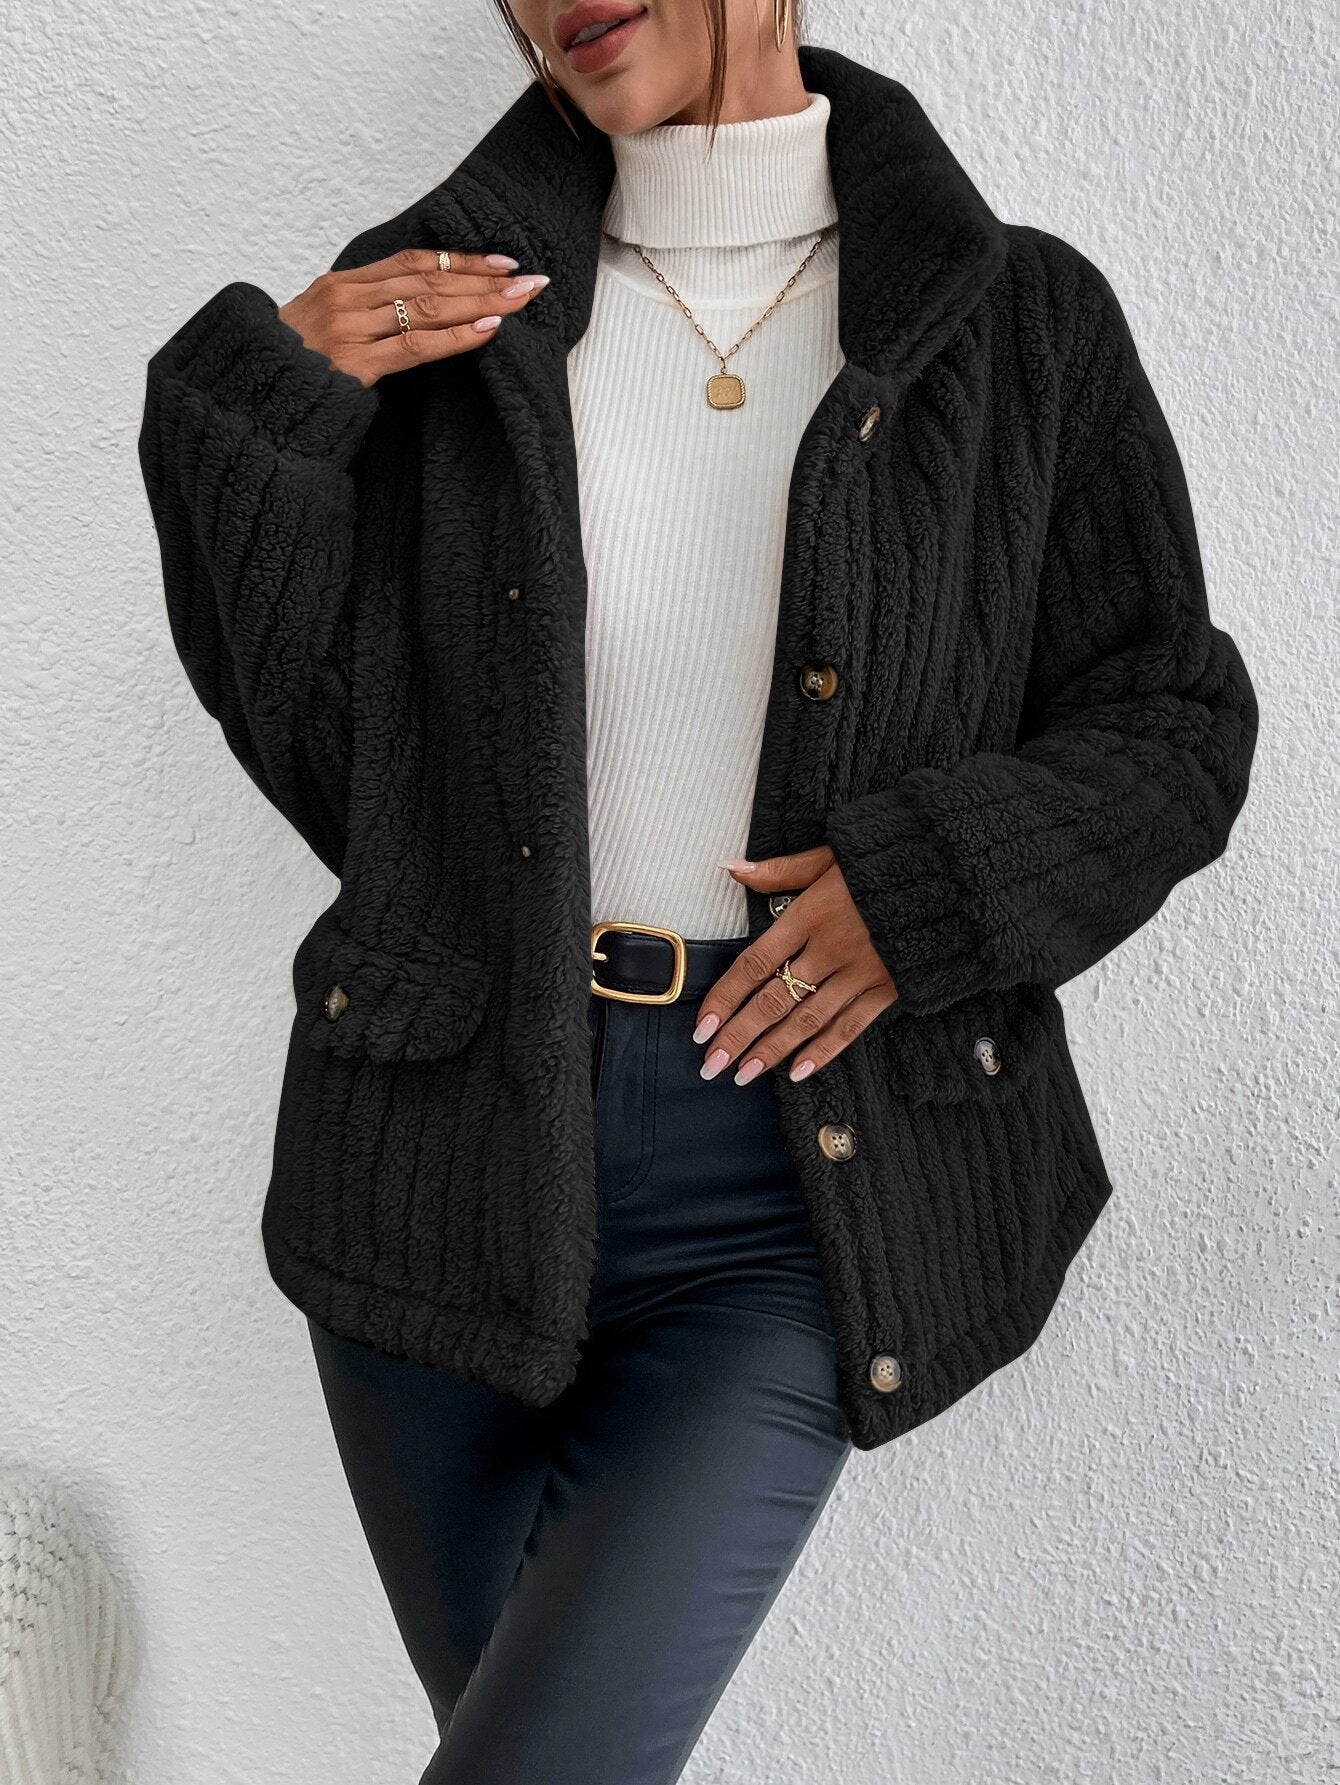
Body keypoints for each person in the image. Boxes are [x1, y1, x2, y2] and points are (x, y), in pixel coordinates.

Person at [135, 2, 1259, 1780]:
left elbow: (1175, 722)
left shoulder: (1020, 323)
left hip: (791, 1185)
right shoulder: (438, 311)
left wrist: (928, 889)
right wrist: (257, 430)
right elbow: (358, 785)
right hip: (443, 1154)